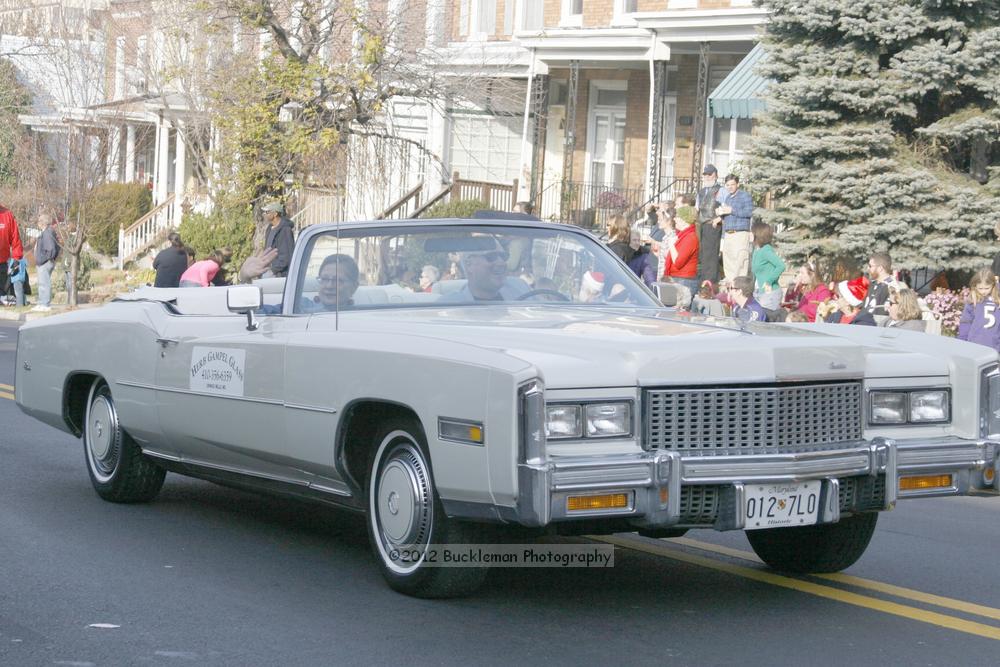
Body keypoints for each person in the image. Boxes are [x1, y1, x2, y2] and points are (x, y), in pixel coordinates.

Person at [715, 174, 754, 280]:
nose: (730, 187)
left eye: (732, 184)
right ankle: (731, 286)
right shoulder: (727, 198)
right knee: (728, 261)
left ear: (737, 184)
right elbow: (727, 216)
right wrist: (720, 215)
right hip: (728, 233)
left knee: (740, 262)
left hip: (740, 233)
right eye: (727, 185)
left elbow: (749, 212)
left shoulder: (745, 196)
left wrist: (731, 210)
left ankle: (739, 286)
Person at [662, 206, 699, 309]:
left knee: (679, 313)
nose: (674, 219)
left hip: (683, 281)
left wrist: (671, 245)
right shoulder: (682, 235)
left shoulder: (690, 237)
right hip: (676, 278)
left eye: (677, 216)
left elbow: (678, 262)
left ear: (684, 219)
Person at [957, 269, 1000, 351]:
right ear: (975, 286)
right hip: (974, 344)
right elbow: (966, 322)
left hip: (995, 346)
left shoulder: (998, 299)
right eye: (980, 288)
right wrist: (962, 341)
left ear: (993, 285)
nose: (983, 291)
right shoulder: (973, 300)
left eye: (987, 288)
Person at [696, 164, 723, 285]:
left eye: (709, 174)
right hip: (702, 225)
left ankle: (710, 282)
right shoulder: (701, 192)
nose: (707, 177)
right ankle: (703, 281)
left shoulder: (721, 190)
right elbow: (697, 209)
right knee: (703, 255)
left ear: (715, 175)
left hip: (713, 225)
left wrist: (719, 218)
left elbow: (726, 207)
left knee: (711, 255)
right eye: (705, 175)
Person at [750, 221, 785, 311]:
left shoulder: (766, 251)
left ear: (758, 235)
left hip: (770, 295)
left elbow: (781, 266)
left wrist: (769, 281)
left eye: (752, 232)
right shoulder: (756, 250)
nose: (749, 234)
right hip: (758, 293)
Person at [32, 212, 59, 311]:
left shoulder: (47, 232)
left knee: (44, 283)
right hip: (43, 262)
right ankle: (41, 302)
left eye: (39, 221)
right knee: (41, 283)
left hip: (45, 262)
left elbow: (51, 249)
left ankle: (45, 304)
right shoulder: (47, 231)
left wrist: (43, 259)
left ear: (43, 222)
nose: (38, 223)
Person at [0, 203, 25, 305]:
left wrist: (16, 258)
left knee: (4, 296)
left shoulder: (7, 215)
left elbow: (16, 239)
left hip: (3, 264)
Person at [262, 201, 295, 278]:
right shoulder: (269, 228)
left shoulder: (285, 230)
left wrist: (273, 270)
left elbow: (286, 257)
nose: (265, 214)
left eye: (267, 212)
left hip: (280, 275)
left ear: (275, 214)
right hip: (269, 271)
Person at [862, 252, 897, 317]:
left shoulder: (892, 287)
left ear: (880, 268)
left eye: (870, 266)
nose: (868, 269)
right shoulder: (872, 284)